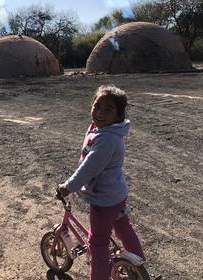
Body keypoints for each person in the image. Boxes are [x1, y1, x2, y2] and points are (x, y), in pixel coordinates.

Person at [58, 85, 145, 280]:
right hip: (116, 193)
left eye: (108, 109)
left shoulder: (107, 140)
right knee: (123, 226)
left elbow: (89, 168)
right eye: (97, 106)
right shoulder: (104, 129)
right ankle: (138, 267)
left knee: (97, 243)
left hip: (103, 199)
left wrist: (68, 186)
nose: (100, 113)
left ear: (119, 115)